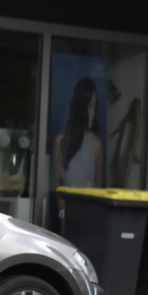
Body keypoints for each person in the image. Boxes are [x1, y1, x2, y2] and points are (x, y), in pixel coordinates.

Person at [53, 77, 103, 211]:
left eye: (95, 107)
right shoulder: (61, 140)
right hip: (67, 213)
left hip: (89, 213)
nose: (93, 113)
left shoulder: (96, 144)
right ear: (81, 106)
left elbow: (97, 187)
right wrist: (62, 212)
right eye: (90, 107)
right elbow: (58, 183)